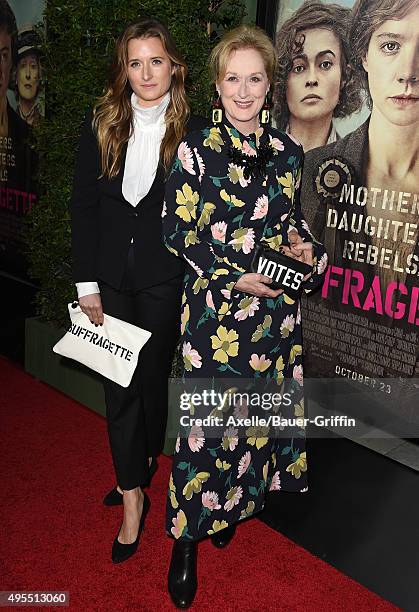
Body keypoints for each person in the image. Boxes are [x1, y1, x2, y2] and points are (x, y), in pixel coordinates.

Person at [162, 24, 327, 608]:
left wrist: (308, 249)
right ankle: (187, 538)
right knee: (204, 433)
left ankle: (225, 507)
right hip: (214, 319)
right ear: (216, 83)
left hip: (270, 320)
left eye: (255, 78)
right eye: (233, 78)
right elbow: (176, 232)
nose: (244, 89)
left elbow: (285, 226)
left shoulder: (288, 153)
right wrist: (235, 271)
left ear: (270, 85)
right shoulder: (193, 147)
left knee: (249, 429)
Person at [70, 17, 206, 565]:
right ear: (123, 70)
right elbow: (83, 206)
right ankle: (132, 495)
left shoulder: (195, 130)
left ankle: (139, 461)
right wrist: (86, 284)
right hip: (108, 282)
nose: (146, 73)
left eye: (156, 61)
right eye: (135, 62)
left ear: (173, 65)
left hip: (164, 279)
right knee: (118, 385)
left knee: (150, 387)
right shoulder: (101, 120)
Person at [300, 0, 418, 395]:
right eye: (390, 46)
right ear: (364, 55)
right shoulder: (314, 172)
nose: (408, 73)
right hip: (325, 400)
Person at [273, 1, 362, 151]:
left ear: (345, 76)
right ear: (282, 80)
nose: (312, 79)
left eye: (325, 64)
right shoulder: (255, 157)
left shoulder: (358, 166)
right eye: (299, 67)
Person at [15, 25, 44, 126]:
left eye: (33, 66)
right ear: (15, 75)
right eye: (23, 66)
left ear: (40, 75)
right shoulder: (5, 124)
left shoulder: (48, 127)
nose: (28, 74)